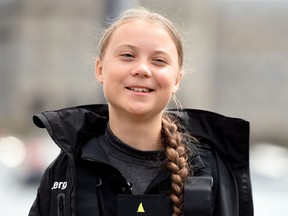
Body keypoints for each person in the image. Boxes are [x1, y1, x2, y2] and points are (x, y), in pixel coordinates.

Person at [28, 7, 253, 216]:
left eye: (159, 60)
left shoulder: (212, 170)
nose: (142, 69)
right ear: (100, 70)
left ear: (176, 80)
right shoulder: (66, 171)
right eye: (127, 55)